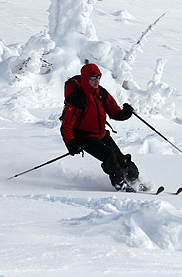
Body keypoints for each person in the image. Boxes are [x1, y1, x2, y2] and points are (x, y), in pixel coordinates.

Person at [60, 63, 139, 191]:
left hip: (101, 134)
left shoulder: (101, 93)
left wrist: (125, 113)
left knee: (122, 159)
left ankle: (135, 181)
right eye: (93, 78)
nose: (96, 81)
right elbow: (66, 126)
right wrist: (71, 144)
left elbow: (114, 112)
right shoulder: (77, 98)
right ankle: (120, 184)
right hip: (84, 137)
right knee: (109, 157)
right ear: (85, 79)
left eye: (98, 77)